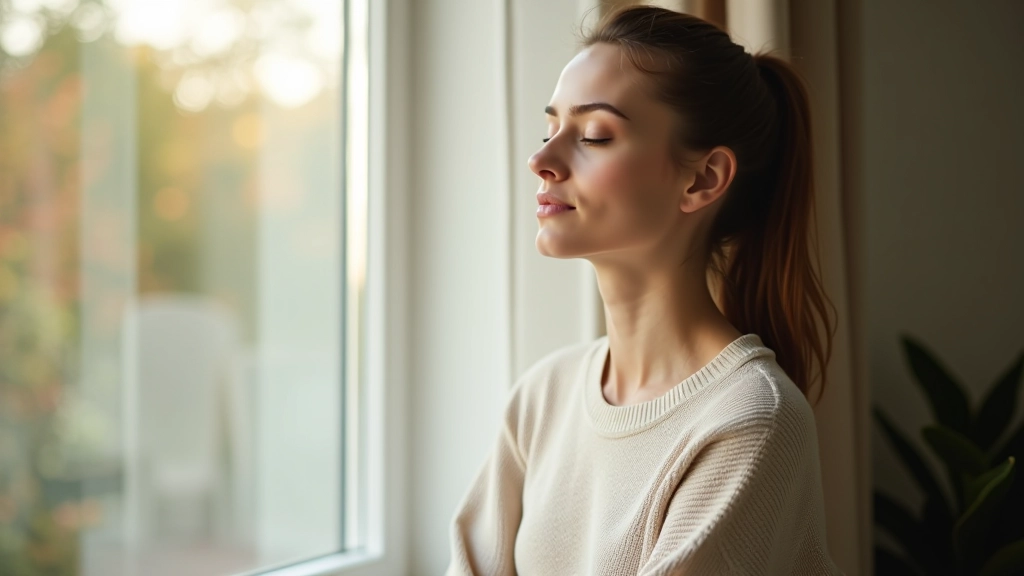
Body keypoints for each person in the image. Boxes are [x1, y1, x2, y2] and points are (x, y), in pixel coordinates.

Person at [445, 5, 844, 575]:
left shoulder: (749, 420)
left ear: (703, 179)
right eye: (549, 128)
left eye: (594, 135)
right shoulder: (542, 396)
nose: (541, 160)